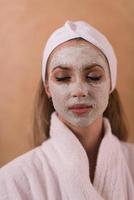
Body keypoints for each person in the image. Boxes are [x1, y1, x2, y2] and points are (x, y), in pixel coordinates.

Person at [0, 20, 134, 200]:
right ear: (48, 88)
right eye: (62, 78)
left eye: (93, 76)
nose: (79, 90)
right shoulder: (12, 182)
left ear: (111, 84)